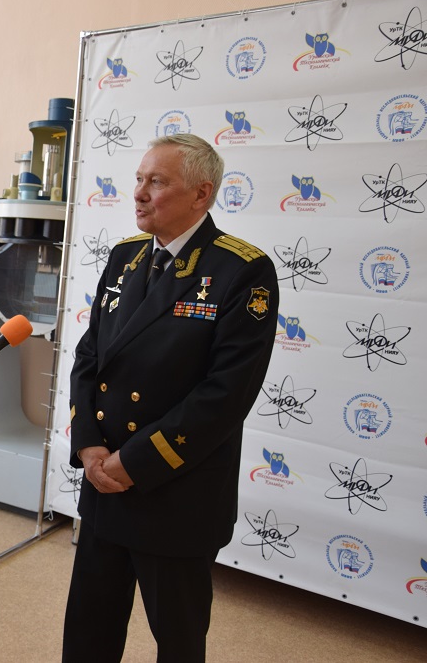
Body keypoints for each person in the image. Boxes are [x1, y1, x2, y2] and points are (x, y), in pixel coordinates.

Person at [62, 134, 278, 662]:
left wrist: (134, 462)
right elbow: (90, 356)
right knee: (88, 633)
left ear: (202, 193)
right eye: (139, 179)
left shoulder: (241, 271)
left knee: (178, 643)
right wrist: (88, 444)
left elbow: (225, 395)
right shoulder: (125, 257)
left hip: (175, 492)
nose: (139, 193)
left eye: (156, 182)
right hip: (105, 483)